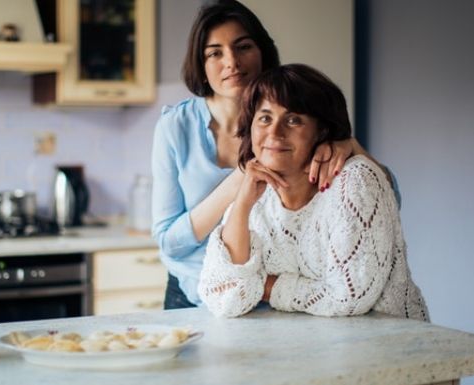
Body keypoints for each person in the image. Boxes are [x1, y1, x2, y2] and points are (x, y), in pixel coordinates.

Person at [152, 0, 398, 310]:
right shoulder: (175, 127)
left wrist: (350, 146)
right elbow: (169, 243)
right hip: (196, 294)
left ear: (263, 54)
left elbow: (385, 202)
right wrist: (241, 181)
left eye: (243, 47)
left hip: (283, 296)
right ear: (200, 65)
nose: (231, 62)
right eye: (215, 52)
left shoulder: (298, 122)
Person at [198, 64, 429, 321]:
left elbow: (349, 298)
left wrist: (265, 286)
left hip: (390, 347)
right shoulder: (256, 195)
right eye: (264, 118)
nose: (274, 132)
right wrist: (241, 205)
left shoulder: (355, 180)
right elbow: (222, 297)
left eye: (293, 120)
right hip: (309, 348)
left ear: (322, 130)